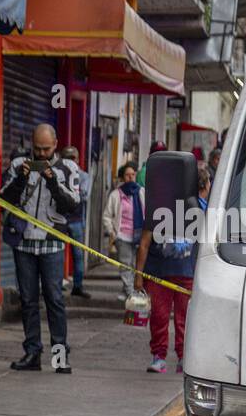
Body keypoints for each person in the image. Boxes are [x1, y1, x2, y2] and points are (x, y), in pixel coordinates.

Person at [0, 123, 81, 373]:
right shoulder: (17, 165)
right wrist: (22, 178)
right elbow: (4, 198)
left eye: (46, 149)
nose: (41, 154)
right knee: (28, 299)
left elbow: (73, 206)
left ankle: (59, 355)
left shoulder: (68, 168)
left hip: (52, 241)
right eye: (37, 149)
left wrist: (53, 181)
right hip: (24, 241)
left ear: (55, 145)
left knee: (55, 299)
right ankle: (32, 352)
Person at [133, 162, 205, 374]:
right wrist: (138, 276)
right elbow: (144, 244)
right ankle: (158, 357)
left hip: (188, 274)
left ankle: (184, 357)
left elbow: (205, 244)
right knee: (159, 317)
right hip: (158, 274)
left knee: (186, 319)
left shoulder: (199, 210)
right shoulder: (157, 209)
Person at [102, 162, 144, 302]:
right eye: (127, 175)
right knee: (126, 265)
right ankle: (131, 293)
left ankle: (127, 291)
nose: (131, 177)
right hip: (122, 236)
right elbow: (107, 216)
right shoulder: (116, 195)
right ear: (122, 177)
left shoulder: (142, 192)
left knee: (135, 265)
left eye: (133, 174)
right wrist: (112, 232)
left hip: (139, 236)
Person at [62, 146, 92, 299]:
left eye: (72, 158)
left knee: (78, 255)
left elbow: (84, 196)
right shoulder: (58, 173)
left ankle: (78, 286)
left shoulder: (84, 176)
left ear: (78, 159)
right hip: (59, 219)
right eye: (67, 158)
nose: (70, 161)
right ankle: (56, 284)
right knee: (56, 253)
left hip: (75, 220)